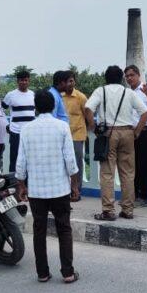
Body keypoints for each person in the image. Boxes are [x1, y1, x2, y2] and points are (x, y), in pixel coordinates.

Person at [15, 90, 80, 284]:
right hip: (59, 188)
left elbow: (21, 162)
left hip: (37, 190)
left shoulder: (26, 129)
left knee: (39, 230)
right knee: (64, 229)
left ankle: (42, 273)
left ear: (36, 107)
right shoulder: (62, 127)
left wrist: (21, 185)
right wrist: (75, 184)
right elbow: (70, 159)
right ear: (53, 106)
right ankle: (68, 272)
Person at [85, 65, 147, 220]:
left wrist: (93, 128)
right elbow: (145, 112)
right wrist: (137, 131)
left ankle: (108, 210)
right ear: (122, 78)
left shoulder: (101, 91)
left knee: (107, 173)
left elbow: (88, 108)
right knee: (127, 173)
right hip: (127, 132)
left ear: (106, 78)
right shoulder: (128, 92)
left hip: (108, 134)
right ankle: (127, 210)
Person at [125, 65, 147, 207]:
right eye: (127, 76)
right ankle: (133, 195)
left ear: (138, 75)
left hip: (146, 131)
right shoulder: (127, 92)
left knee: (143, 164)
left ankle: (143, 196)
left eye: (132, 75)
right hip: (130, 132)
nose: (129, 78)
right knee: (131, 165)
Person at [61, 72, 89, 202]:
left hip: (77, 134)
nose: (69, 84)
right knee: (64, 164)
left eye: (71, 81)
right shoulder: (60, 97)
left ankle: (77, 191)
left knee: (77, 163)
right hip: (63, 136)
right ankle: (66, 190)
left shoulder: (81, 97)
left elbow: (87, 115)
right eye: (66, 81)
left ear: (75, 82)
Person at [3, 70, 36, 173]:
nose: (24, 82)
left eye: (26, 80)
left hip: (30, 133)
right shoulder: (11, 95)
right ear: (17, 81)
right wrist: (6, 123)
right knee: (15, 159)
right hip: (15, 132)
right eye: (21, 80)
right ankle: (13, 185)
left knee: (29, 159)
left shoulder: (33, 94)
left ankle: (27, 184)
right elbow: (1, 109)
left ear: (29, 81)